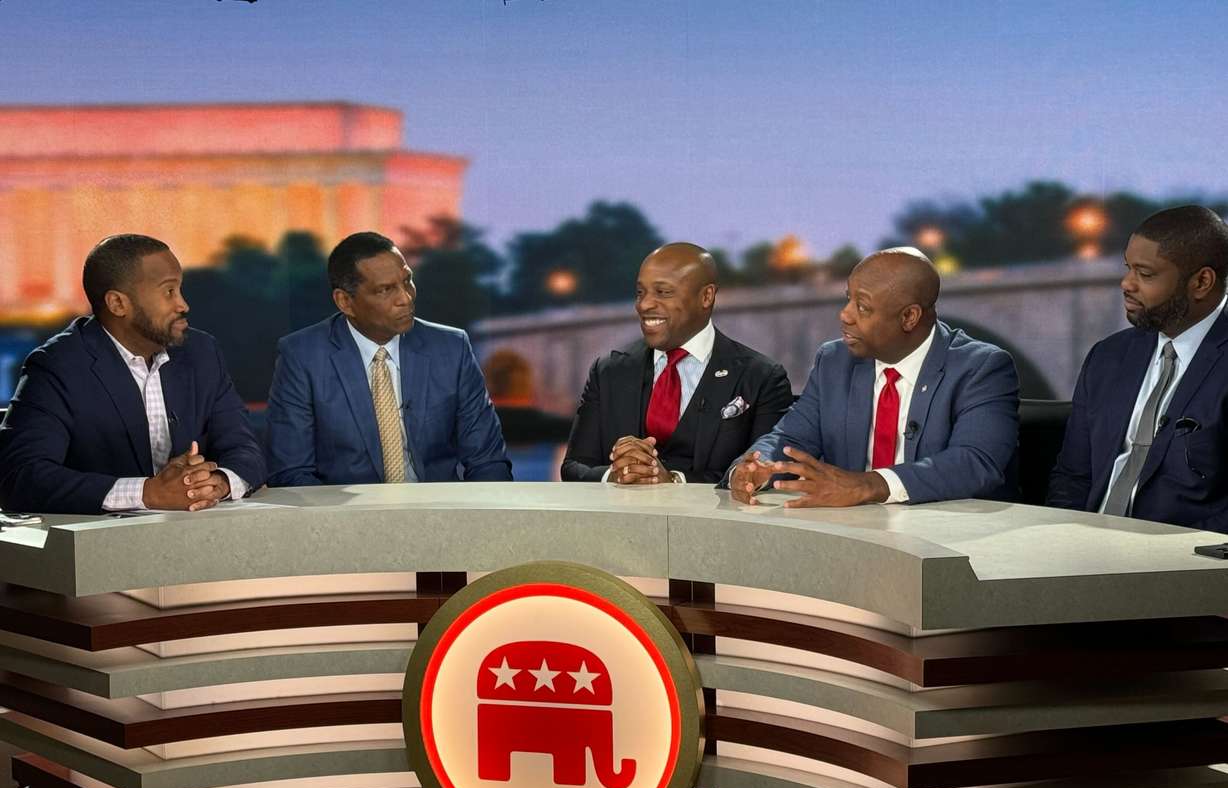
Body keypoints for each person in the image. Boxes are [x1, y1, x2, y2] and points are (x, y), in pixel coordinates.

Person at [727, 247, 1018, 506]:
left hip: (946, 538)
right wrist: (757, 466)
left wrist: (868, 485)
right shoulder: (834, 361)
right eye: (848, 300)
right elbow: (790, 438)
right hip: (852, 537)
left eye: (862, 307)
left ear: (909, 317)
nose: (845, 315)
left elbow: (975, 462)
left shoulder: (981, 368)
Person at [0, 234, 265, 515]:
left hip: (202, 534)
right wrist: (148, 493)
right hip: (99, 547)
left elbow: (245, 449)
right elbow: (21, 477)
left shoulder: (201, 352)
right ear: (118, 304)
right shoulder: (58, 366)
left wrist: (218, 482)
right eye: (168, 292)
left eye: (180, 289)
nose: (183, 305)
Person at [265, 231, 511, 485]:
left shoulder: (452, 348)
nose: (405, 299)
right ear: (345, 302)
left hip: (437, 513)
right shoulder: (302, 356)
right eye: (385, 290)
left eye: (407, 281)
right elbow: (291, 472)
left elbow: (488, 462)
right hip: (345, 517)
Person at [1048, 206, 1228, 530]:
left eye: (1145, 274)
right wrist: (1065, 540)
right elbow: (1072, 477)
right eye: (1128, 268)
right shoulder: (1107, 357)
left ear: (1201, 282)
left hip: (1183, 564)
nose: (1126, 284)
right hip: (1085, 552)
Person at [561, 242, 792, 484]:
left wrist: (673, 480)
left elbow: (767, 474)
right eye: (640, 292)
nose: (644, 304)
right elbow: (573, 467)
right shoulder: (607, 371)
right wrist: (615, 474)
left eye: (663, 292)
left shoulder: (761, 377)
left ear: (706, 296)